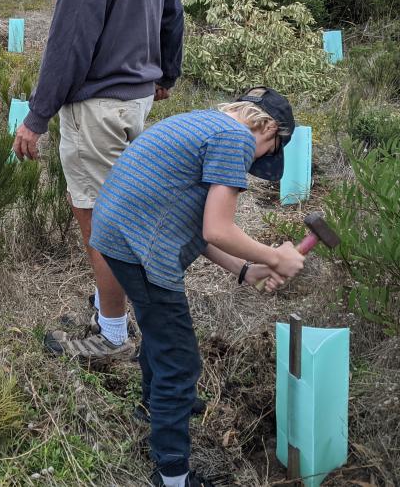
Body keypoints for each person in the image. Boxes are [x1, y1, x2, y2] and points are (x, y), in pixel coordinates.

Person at [12, 0, 184, 361]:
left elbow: (70, 38)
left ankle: (111, 337)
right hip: (136, 99)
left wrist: (36, 117)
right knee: (126, 216)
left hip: (97, 107)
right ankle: (109, 310)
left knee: (104, 225)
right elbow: (172, 12)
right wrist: (166, 75)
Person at [87, 87, 307, 487]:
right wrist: (276, 257)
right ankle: (172, 474)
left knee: (160, 330)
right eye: (271, 149)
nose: (263, 159)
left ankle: (154, 407)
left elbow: (195, 226)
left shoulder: (201, 122)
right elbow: (218, 229)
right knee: (180, 358)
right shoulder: (236, 138)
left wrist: (245, 269)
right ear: (269, 128)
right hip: (139, 245)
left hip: (115, 233)